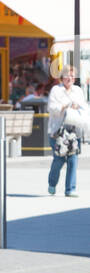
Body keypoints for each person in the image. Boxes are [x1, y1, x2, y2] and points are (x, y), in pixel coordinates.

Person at [47, 66, 87, 197]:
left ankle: (70, 189)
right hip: (57, 131)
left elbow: (84, 107)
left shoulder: (78, 90)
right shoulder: (56, 90)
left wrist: (78, 106)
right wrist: (64, 107)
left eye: (72, 76)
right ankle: (52, 183)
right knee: (59, 159)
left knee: (73, 159)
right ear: (62, 77)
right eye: (67, 75)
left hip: (74, 131)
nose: (70, 78)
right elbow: (51, 108)